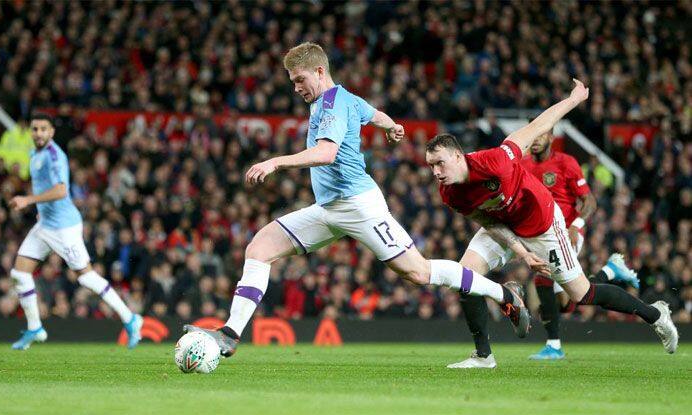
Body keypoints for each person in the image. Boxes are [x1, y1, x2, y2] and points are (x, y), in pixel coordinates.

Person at [185, 42, 529, 357]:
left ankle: (505, 295)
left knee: (419, 272)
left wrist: (275, 162)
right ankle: (230, 334)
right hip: (329, 209)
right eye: (292, 82)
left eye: (300, 79)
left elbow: (326, 153)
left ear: (320, 71)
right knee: (260, 247)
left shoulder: (332, 104)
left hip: (358, 205)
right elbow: (373, 113)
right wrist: (391, 126)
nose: (296, 88)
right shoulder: (345, 98)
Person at [424, 80, 678, 369]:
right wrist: (522, 253)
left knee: (582, 294)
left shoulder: (496, 160)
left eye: (440, 163)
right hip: (504, 225)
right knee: (464, 277)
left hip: (543, 226)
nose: (436, 172)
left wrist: (574, 99)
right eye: (431, 165)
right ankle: (484, 355)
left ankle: (656, 315)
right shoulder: (450, 193)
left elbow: (540, 124)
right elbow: (488, 221)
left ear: (458, 156)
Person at [8, 113, 143, 350]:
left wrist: (28, 200)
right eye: (35, 129)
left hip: (63, 228)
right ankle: (35, 328)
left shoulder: (55, 155)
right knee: (20, 273)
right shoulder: (34, 153)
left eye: (43, 129)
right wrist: (40, 209)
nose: (38, 133)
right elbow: (45, 187)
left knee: (86, 277)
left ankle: (130, 318)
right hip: (46, 224)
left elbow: (61, 191)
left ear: (51, 132)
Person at [521, 128, 639, 360]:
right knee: (568, 302)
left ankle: (554, 346)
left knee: (543, 277)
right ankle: (609, 271)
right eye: (533, 135)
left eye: (541, 135)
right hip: (541, 235)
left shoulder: (566, 163)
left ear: (551, 138)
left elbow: (589, 200)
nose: (535, 140)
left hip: (567, 233)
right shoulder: (523, 165)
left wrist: (576, 224)